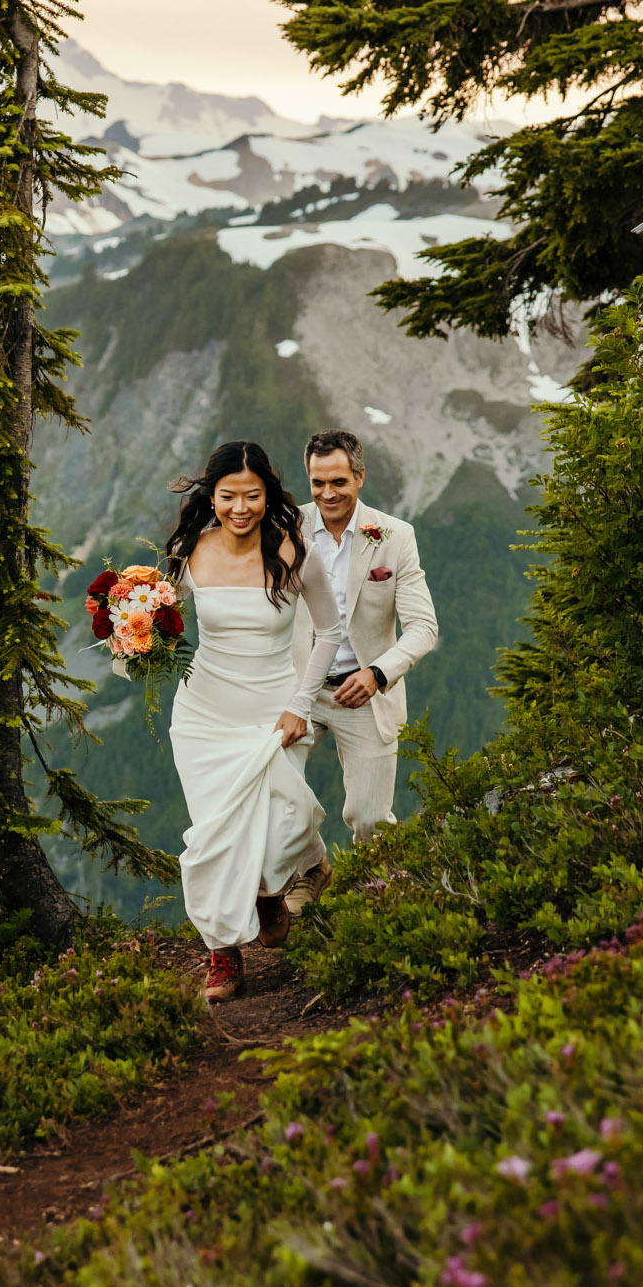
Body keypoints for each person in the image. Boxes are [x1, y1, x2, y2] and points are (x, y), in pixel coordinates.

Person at [157, 440, 346, 1004]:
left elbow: (330, 633)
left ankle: (286, 880)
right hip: (203, 713)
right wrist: (131, 625)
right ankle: (223, 960)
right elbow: (165, 617)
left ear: (269, 493)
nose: (240, 508)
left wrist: (301, 704)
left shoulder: (294, 550)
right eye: (228, 496)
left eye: (252, 496)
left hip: (273, 708)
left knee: (284, 822)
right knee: (213, 837)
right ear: (209, 496)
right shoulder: (186, 549)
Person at [289, 429, 438, 908]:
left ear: (359, 476)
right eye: (317, 483)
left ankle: (379, 899)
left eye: (338, 481)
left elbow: (423, 628)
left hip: (367, 695)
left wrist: (377, 674)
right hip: (298, 691)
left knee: (370, 818)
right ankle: (312, 865)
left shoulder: (395, 536)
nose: (327, 494)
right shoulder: (285, 529)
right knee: (278, 792)